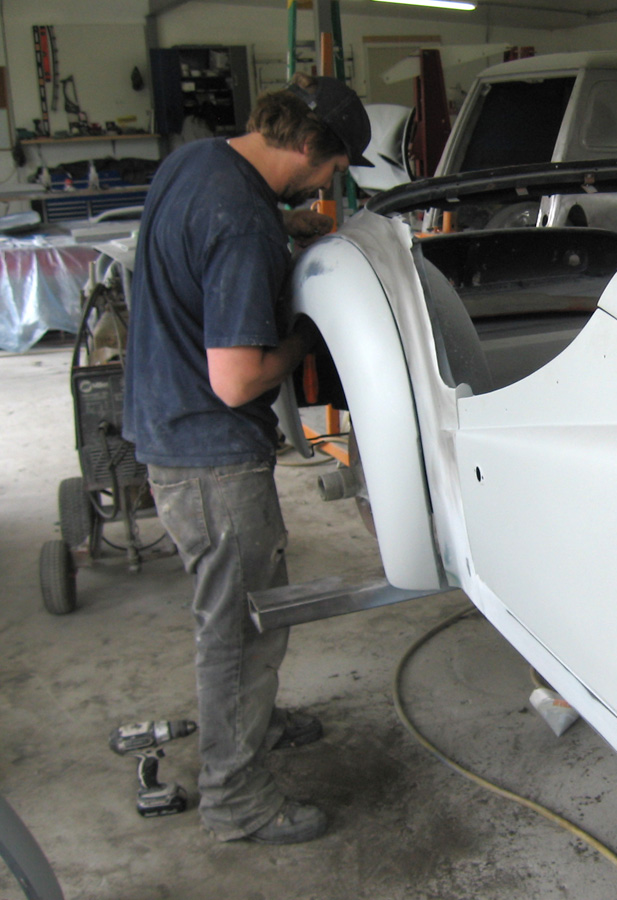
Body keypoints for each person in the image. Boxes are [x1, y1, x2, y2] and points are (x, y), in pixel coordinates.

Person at [122, 73, 372, 845]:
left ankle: (249, 723)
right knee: (241, 630)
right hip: (211, 453)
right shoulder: (243, 225)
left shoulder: (196, 162)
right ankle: (236, 799)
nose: (330, 184)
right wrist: (300, 341)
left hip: (166, 423)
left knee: (247, 613)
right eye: (332, 168)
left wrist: (279, 220)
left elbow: (192, 248)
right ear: (308, 143)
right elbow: (236, 380)